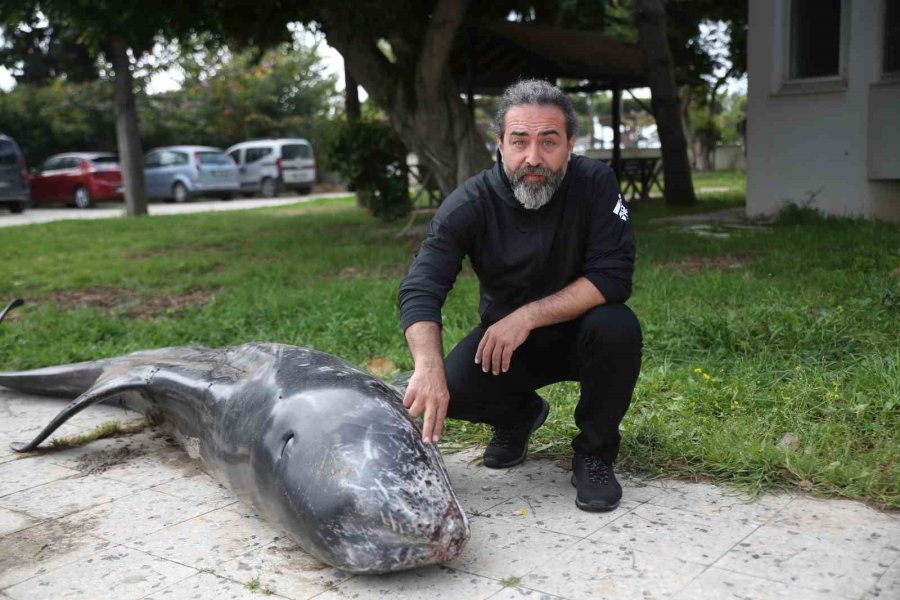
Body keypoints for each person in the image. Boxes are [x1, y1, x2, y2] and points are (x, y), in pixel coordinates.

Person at [398, 79, 642, 512]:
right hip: (507, 347)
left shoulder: (595, 183)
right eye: (519, 141)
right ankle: (518, 416)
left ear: (570, 144)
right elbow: (422, 286)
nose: (533, 157)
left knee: (618, 325)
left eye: (549, 142)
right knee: (452, 386)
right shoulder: (469, 203)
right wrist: (428, 367)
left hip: (585, 332)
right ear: (499, 145)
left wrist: (527, 315)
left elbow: (613, 276)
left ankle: (595, 454)